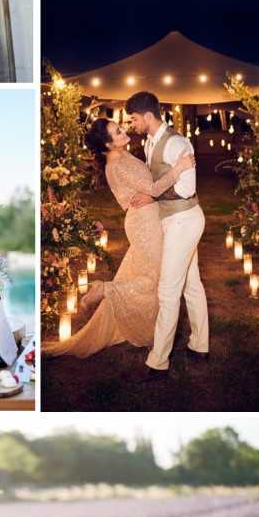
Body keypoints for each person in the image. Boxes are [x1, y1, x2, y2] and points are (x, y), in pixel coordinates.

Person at [43, 116, 195, 359]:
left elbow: (148, 187)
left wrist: (151, 192)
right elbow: (153, 189)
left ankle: (152, 329)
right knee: (153, 280)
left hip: (147, 219)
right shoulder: (116, 165)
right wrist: (180, 168)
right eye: (117, 132)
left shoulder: (123, 156)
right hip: (145, 224)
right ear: (107, 144)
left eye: (121, 127)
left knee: (148, 275)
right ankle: (105, 289)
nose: (124, 131)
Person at [126, 91, 209, 376]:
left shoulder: (176, 143)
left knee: (168, 291)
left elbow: (186, 189)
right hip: (175, 221)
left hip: (184, 221)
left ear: (148, 116)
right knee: (191, 285)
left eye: (134, 119)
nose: (132, 124)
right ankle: (200, 345)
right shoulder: (149, 142)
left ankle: (158, 361)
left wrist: (152, 196)